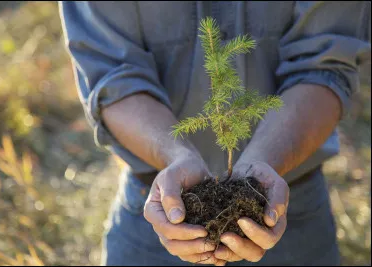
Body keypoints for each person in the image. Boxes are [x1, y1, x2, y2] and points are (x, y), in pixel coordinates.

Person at [59, 1, 371, 266]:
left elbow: (325, 66)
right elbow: (112, 77)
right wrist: (175, 154)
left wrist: (263, 162)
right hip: (158, 209)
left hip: (289, 209)